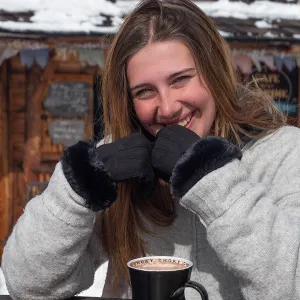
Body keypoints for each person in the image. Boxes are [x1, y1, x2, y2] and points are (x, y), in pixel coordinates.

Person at [2, 0, 300, 299]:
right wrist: (78, 187)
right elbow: (30, 285)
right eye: (145, 91)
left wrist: (210, 178)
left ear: (215, 72)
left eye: (181, 79)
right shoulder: (121, 167)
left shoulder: (282, 153)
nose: (167, 107)